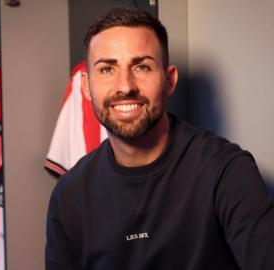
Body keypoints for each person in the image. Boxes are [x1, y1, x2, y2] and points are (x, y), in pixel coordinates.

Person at [45, 7, 274, 270]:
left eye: (142, 66)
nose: (125, 86)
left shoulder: (226, 171)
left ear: (169, 80)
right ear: (86, 86)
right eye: (107, 69)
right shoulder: (69, 196)